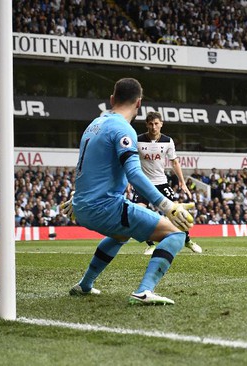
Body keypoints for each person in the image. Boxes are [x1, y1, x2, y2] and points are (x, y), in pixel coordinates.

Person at [64, 78, 194, 305]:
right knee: (176, 233)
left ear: (112, 99)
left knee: (121, 234)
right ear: (139, 103)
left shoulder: (93, 125)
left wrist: (76, 196)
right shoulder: (124, 129)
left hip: (82, 207)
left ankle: (85, 285)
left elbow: (88, 165)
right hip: (105, 206)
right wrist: (168, 206)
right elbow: (134, 174)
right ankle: (144, 291)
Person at [134, 111, 202, 255]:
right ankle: (150, 245)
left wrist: (182, 182)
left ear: (161, 124)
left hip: (161, 182)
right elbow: (130, 161)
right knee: (139, 213)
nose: (153, 127)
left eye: (156, 124)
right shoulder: (137, 140)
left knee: (177, 213)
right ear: (146, 124)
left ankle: (188, 240)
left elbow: (174, 162)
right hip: (143, 183)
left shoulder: (167, 141)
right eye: (151, 124)